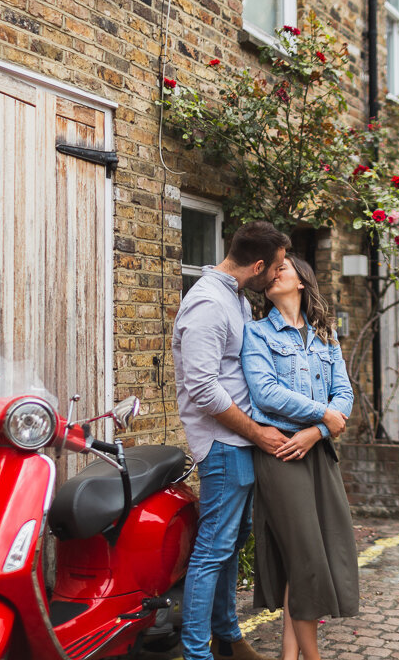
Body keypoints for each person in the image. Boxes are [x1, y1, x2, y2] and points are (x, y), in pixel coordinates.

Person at [173, 220, 292, 660]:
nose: (279, 275)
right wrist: (257, 432)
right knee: (212, 550)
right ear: (257, 265)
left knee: (231, 541)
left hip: (237, 442)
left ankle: (227, 636)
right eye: (276, 267)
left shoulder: (233, 297)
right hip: (224, 444)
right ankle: (196, 653)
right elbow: (203, 388)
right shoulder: (208, 303)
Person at [240, 253, 359, 660]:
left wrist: (318, 430)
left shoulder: (326, 335)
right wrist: (321, 414)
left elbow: (344, 396)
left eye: (282, 269)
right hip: (282, 453)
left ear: (302, 281)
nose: (274, 274)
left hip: (315, 450)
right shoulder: (256, 333)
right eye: (271, 270)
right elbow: (265, 393)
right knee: (306, 555)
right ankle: (313, 657)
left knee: (315, 552)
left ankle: (289, 656)